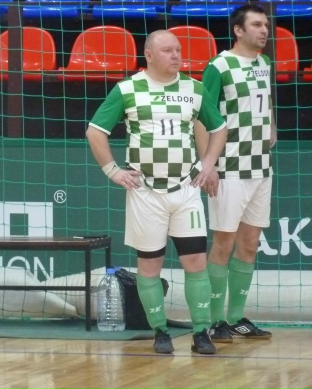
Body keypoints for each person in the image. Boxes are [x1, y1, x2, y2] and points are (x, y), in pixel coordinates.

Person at [86, 30, 227, 354]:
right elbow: (95, 131)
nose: (176, 55)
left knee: (196, 261)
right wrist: (113, 171)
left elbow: (219, 128)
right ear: (148, 55)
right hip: (145, 192)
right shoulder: (128, 89)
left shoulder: (194, 88)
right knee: (150, 265)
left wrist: (208, 164)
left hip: (186, 189)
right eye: (167, 50)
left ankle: (201, 333)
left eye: (178, 49)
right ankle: (160, 332)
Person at [198, 4, 277, 343]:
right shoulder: (219, 66)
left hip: (261, 167)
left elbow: (265, 101)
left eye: (266, 25)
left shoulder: (264, 62)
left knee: (250, 244)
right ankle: (214, 320)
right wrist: (208, 164)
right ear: (238, 30)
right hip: (229, 167)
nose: (264, 30)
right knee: (224, 242)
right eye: (256, 24)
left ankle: (236, 317)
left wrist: (272, 125)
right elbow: (202, 117)